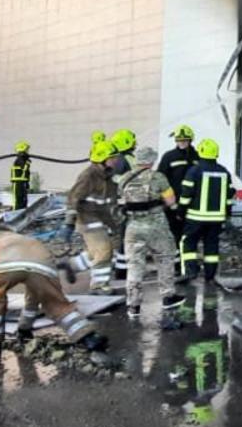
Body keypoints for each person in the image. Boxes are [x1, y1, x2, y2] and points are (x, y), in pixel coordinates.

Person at [0, 228, 106, 355]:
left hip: (7, 263)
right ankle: (88, 338)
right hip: (44, 265)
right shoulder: (24, 238)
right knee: (56, 304)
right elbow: (32, 299)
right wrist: (24, 329)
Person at [117, 146, 183, 316]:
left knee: (134, 265)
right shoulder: (158, 177)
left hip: (132, 227)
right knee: (165, 257)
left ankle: (133, 305)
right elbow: (170, 200)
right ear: (151, 161)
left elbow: (121, 202)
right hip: (156, 225)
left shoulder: (124, 178)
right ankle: (168, 297)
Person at [177, 138, 235, 284]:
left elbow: (186, 195)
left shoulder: (194, 171)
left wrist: (180, 211)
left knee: (188, 243)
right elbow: (229, 198)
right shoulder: (224, 172)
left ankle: (190, 272)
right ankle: (210, 275)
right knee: (211, 246)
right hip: (216, 219)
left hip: (195, 218)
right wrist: (227, 214)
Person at [66, 140, 121, 294]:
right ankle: (98, 286)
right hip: (88, 219)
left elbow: (107, 203)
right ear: (102, 159)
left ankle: (72, 266)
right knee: (103, 250)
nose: (116, 160)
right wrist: (68, 224)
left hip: (101, 218)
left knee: (96, 252)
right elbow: (73, 199)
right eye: (112, 157)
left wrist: (114, 223)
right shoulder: (88, 175)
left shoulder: (107, 176)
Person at [158, 125, 199, 244]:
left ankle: (185, 257)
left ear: (190, 140)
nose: (181, 142)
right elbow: (161, 178)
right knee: (175, 232)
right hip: (174, 202)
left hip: (193, 202)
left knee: (191, 233)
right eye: (179, 140)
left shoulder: (197, 156)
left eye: (184, 140)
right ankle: (177, 259)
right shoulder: (169, 156)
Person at [108, 129, 137, 284]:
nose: (135, 142)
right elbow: (119, 181)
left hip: (125, 203)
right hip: (125, 204)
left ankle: (121, 268)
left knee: (125, 237)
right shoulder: (122, 160)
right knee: (126, 237)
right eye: (132, 140)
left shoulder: (122, 159)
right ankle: (121, 270)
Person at [10, 141, 32, 211]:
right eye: (26, 150)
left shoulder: (23, 159)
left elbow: (26, 172)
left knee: (24, 199)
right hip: (17, 182)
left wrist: (27, 183)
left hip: (23, 182)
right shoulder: (19, 159)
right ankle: (15, 213)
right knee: (17, 199)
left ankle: (22, 211)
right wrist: (27, 160)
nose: (28, 151)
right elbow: (24, 167)